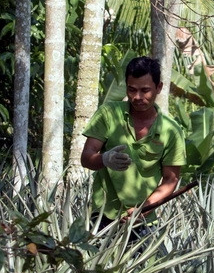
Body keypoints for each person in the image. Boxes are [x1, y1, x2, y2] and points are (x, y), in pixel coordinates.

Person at [80, 57, 186, 230]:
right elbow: (86, 158)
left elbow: (170, 179)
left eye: (145, 90)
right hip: (102, 217)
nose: (137, 97)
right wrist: (104, 159)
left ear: (159, 87)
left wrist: (143, 208)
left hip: (143, 221)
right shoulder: (108, 114)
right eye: (132, 90)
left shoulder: (171, 130)